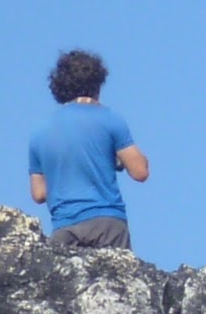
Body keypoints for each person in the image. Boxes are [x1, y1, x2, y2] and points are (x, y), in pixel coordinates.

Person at [28, 49, 149, 251]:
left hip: (64, 227)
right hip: (107, 223)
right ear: (97, 84)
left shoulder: (39, 134)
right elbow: (140, 172)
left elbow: (39, 193)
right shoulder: (110, 119)